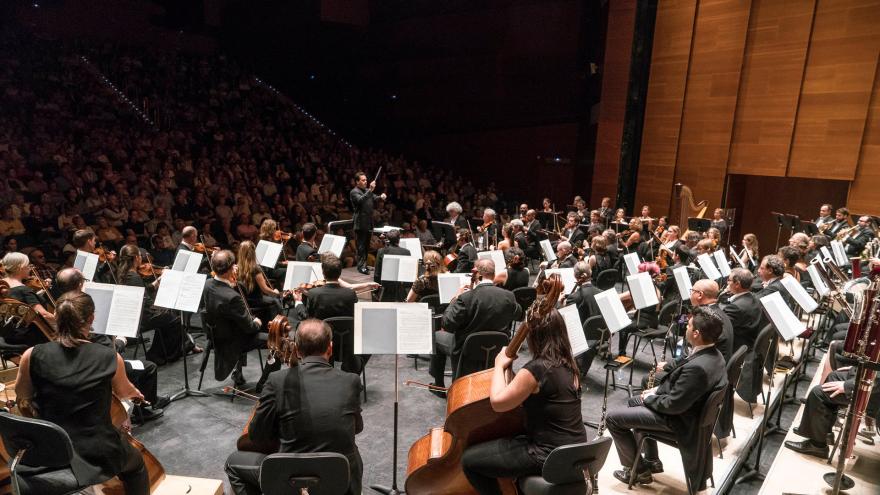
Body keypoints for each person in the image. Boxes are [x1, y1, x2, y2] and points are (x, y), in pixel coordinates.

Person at [14, 291, 151, 495]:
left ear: (56, 317)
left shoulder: (31, 354)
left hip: (50, 447)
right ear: (91, 318)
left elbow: (22, 393)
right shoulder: (109, 357)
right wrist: (136, 394)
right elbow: (124, 391)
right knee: (137, 464)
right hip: (96, 450)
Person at [461, 277, 586, 495]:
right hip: (574, 451)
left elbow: (498, 403)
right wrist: (509, 370)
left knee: (470, 461)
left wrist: (499, 366)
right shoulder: (570, 364)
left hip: (546, 454)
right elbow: (523, 391)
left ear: (535, 336)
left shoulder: (537, 369)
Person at [225, 319, 364, 495]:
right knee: (353, 451)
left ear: (297, 350)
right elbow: (357, 428)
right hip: (340, 479)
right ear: (330, 348)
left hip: (291, 478)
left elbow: (257, 436)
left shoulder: (277, 380)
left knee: (233, 462)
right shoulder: (350, 380)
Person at [606, 306, 727, 490]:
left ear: (696, 333)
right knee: (632, 403)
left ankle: (638, 470)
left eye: (688, 326)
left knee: (613, 418)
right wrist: (655, 391)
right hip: (688, 414)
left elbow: (672, 405)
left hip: (679, 420)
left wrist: (650, 398)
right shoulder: (714, 355)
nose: (685, 327)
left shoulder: (698, 369)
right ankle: (652, 460)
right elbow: (683, 386)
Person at [429, 259, 524, 392]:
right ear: (493, 273)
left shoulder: (466, 298)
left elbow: (447, 324)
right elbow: (519, 315)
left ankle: (438, 384)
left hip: (466, 350)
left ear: (476, 273)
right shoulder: (509, 296)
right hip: (497, 348)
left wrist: (456, 298)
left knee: (436, 336)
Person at [116, 245, 190, 364]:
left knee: (167, 316)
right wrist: (159, 307)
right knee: (174, 319)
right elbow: (145, 302)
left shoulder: (125, 274)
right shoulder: (133, 277)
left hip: (136, 314)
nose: (142, 258)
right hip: (142, 317)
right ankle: (163, 354)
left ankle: (160, 352)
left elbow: (144, 290)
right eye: (140, 256)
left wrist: (159, 280)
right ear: (136, 258)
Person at [785, 366, 880, 459]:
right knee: (833, 376)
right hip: (874, 378)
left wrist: (848, 386)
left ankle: (817, 446)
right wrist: (861, 367)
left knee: (818, 393)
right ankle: (825, 433)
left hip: (875, 393)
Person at [203, 250, 263, 387]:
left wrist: (232, 281)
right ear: (231, 268)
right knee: (274, 340)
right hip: (233, 341)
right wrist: (257, 323)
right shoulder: (232, 297)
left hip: (216, 335)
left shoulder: (207, 285)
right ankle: (263, 383)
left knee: (238, 321)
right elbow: (250, 328)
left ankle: (238, 370)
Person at [1, 252, 56, 349]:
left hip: (7, 335)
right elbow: (44, 315)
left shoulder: (3, 287)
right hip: (29, 338)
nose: (30, 269)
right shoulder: (24, 290)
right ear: (20, 267)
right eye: (28, 266)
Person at [564, 261, 602, 375]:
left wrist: (564, 303)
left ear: (577, 276)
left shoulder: (575, 297)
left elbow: (567, 317)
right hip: (598, 334)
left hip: (580, 337)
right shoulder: (600, 292)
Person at [350, 171, 385, 275]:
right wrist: (370, 190)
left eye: (366, 180)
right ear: (357, 182)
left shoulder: (366, 190)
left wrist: (381, 197)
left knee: (366, 246)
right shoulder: (354, 192)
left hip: (369, 222)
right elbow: (361, 200)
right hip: (360, 223)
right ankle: (361, 267)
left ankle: (364, 265)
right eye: (363, 180)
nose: (365, 182)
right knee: (360, 246)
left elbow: (374, 198)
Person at [720, 268, 763, 351]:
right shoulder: (754, 297)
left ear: (737, 284)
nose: (727, 283)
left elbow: (721, 330)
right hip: (748, 341)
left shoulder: (735, 307)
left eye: (729, 280)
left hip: (736, 347)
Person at [373, 229, 412, 301]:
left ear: (388, 240)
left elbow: (377, 274)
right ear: (399, 239)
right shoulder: (406, 252)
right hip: (401, 289)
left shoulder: (381, 251)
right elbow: (408, 274)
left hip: (386, 289)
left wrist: (377, 290)